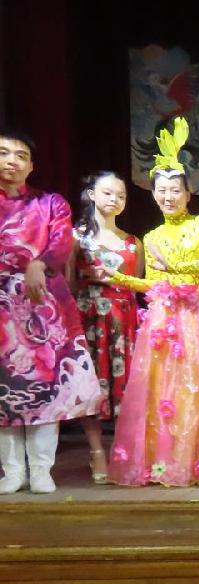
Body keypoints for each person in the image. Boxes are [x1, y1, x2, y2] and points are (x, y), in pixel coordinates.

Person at [107, 118, 199, 486]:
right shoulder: (152, 236)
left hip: (197, 314)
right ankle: (169, 460)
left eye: (175, 190)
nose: (168, 196)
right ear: (153, 194)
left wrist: (177, 266)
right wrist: (120, 278)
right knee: (165, 390)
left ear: (188, 193)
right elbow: (155, 281)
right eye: (161, 190)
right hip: (164, 319)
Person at [0, 128, 103, 494]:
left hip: (44, 307)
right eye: (4, 153)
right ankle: (12, 470)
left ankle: (42, 468)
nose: (12, 161)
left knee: (46, 388)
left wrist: (38, 263)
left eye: (20, 155)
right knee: (6, 391)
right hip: (2, 309)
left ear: (31, 166)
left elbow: (61, 242)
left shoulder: (51, 203)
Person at [70, 170, 143, 485]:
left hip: (124, 320)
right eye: (108, 193)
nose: (115, 199)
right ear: (91, 195)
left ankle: (124, 450)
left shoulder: (133, 242)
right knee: (92, 385)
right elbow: (68, 283)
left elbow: (138, 286)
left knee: (128, 387)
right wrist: (90, 279)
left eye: (121, 195)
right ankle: (97, 450)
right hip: (90, 318)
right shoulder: (77, 237)